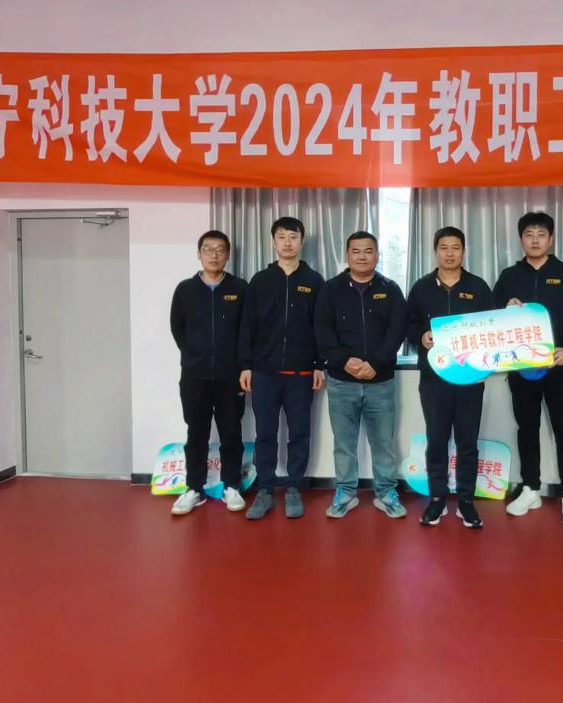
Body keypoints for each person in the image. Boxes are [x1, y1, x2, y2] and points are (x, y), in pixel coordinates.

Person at [493, 212, 563, 527]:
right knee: (527, 429)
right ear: (521, 239)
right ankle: (530, 487)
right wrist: (506, 309)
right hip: (522, 369)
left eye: (541, 234)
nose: (535, 239)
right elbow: (493, 319)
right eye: (529, 234)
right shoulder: (509, 276)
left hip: (559, 367)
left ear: (551, 238)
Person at [314, 231, 408, 519]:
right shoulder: (330, 290)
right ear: (347, 255)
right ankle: (345, 492)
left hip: (381, 381)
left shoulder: (390, 289)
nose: (362, 256)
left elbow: (397, 330)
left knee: (383, 443)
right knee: (344, 443)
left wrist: (375, 363)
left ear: (377, 256)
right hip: (342, 382)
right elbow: (322, 331)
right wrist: (345, 361)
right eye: (356, 251)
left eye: (368, 251)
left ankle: (386, 493)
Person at [406, 226, 494, 529]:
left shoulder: (478, 287)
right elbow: (409, 325)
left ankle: (466, 500)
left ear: (463, 251)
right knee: (437, 439)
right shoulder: (421, 288)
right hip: (434, 379)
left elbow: (491, 331)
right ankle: (437, 498)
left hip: (470, 379)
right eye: (443, 247)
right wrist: (422, 336)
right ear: (435, 251)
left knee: (468, 441)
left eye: (455, 247)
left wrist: (484, 369)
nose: (449, 253)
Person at [239, 217, 325, 520]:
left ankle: (293, 488)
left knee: (299, 433)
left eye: (293, 236)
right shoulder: (261, 280)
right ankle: (265, 489)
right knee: (265, 433)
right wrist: (246, 365)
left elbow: (321, 327)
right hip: (264, 373)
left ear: (302, 241)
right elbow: (247, 326)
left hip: (301, 374)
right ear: (273, 241)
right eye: (282, 237)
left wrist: (319, 365)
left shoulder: (314, 281)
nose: (287, 242)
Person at [168, 230, 250, 515]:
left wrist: (243, 366)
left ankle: (232, 486)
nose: (214, 254)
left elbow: (246, 331)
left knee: (231, 433)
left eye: (219, 249)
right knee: (196, 434)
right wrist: (195, 354)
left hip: (230, 377)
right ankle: (194, 489)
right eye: (208, 249)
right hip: (195, 376)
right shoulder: (185, 290)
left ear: (227, 255)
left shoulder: (240, 288)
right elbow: (177, 329)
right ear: (199, 254)